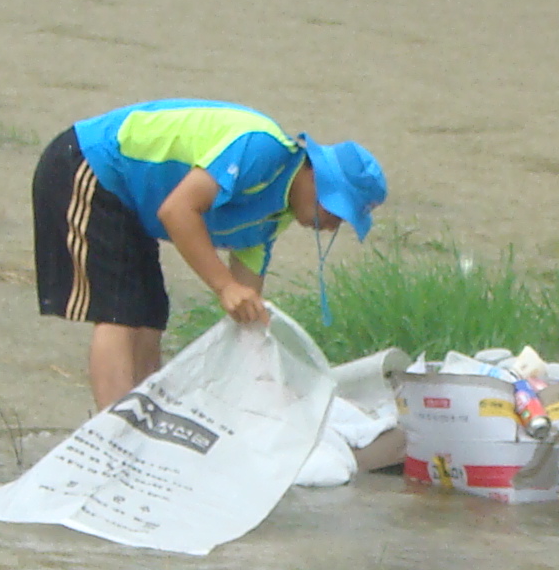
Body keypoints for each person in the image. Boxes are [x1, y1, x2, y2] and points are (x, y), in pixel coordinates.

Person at [33, 99, 386, 408]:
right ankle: (114, 437)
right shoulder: (262, 149)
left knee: (150, 315)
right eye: (335, 209)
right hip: (91, 164)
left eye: (343, 219)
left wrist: (266, 377)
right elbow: (177, 211)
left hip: (133, 202)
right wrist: (224, 286)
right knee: (119, 312)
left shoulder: (271, 220)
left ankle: (144, 425)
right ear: (314, 175)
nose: (332, 224)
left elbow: (248, 314)